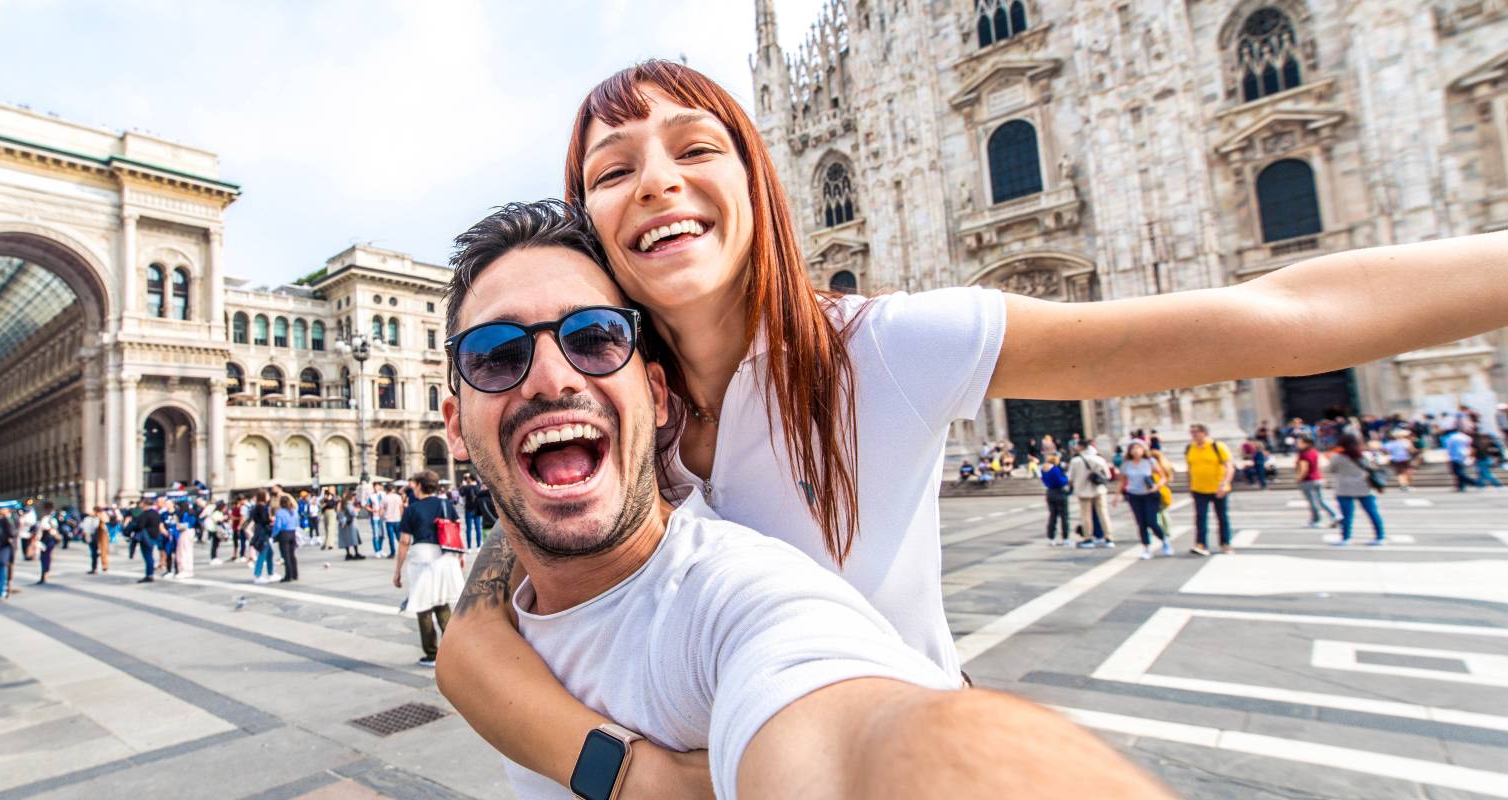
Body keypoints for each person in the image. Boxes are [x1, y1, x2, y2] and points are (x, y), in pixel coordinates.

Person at [440, 60, 1508, 792]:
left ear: (757, 180)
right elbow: (480, 627)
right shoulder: (614, 396)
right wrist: (631, 776)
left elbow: (1281, 313)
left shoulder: (880, 349)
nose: (659, 180)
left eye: (695, 148)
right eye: (614, 169)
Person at [433, 214, 1167, 799]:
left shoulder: (730, 598)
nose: (552, 376)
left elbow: (848, 732)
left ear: (659, 396)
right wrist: (636, 778)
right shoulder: (506, 593)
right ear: (455, 427)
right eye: (495, 355)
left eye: (594, 338)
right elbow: (465, 647)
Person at [394, 470, 465, 667]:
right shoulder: (446, 504)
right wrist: (459, 556)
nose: (412, 488)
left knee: (423, 605)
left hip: (422, 558)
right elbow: (455, 530)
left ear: (420, 485)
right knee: (441, 603)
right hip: (445, 557)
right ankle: (455, 651)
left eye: (414, 484)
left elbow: (404, 541)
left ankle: (432, 654)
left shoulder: (412, 509)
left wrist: (398, 570)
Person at [1184, 424, 1235, 556]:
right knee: (1200, 517)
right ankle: (1201, 544)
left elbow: (1229, 466)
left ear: (1204, 433)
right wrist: (1190, 484)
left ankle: (1225, 544)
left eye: (1196, 432)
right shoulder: (1190, 448)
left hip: (1218, 488)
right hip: (1198, 489)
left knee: (1222, 517)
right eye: (1192, 432)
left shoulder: (1217, 446)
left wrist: (1224, 484)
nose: (1194, 435)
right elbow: (1190, 468)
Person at [1328, 433, 1386, 546]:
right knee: (1372, 513)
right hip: (1363, 486)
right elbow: (1370, 467)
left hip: (1344, 488)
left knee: (1347, 515)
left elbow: (1331, 469)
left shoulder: (1337, 457)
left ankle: (1345, 538)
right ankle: (1380, 536)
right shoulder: (1363, 456)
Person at [1116, 441, 1170, 560]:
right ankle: (1146, 548)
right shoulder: (1126, 464)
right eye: (1133, 448)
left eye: (1138, 448)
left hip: (1150, 495)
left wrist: (1157, 486)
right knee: (1141, 523)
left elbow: (1163, 477)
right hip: (1134, 495)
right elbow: (1122, 481)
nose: (1135, 450)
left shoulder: (1150, 461)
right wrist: (1116, 496)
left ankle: (1164, 540)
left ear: (1143, 450)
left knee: (1151, 521)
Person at [1067, 442, 1114, 548]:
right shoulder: (1100, 459)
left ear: (1081, 447)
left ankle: (1088, 539)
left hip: (1083, 491)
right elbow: (1108, 475)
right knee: (1103, 514)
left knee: (1085, 516)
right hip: (1099, 490)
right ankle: (1108, 538)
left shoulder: (1075, 461)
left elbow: (1070, 478)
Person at [1295, 444, 1341, 528]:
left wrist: (1298, 478)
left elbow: (1304, 469)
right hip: (1317, 478)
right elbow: (1318, 466)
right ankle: (1335, 515)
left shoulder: (1303, 454)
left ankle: (1316, 520)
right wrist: (1321, 477)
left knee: (1312, 502)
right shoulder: (1314, 452)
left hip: (1308, 480)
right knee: (1320, 500)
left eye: (1300, 442)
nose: (1298, 444)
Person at [1039, 454, 1071, 546]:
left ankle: (1051, 537)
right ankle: (1065, 538)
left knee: (1052, 516)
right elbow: (1060, 481)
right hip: (1059, 492)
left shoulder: (1044, 470)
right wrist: (1066, 479)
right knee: (1064, 516)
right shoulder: (1055, 469)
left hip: (1050, 493)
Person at [131, 499, 162, 583]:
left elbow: (140, 526)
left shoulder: (145, 514)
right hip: (154, 536)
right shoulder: (156, 513)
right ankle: (150, 574)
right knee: (150, 555)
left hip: (146, 537)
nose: (140, 505)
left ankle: (149, 574)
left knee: (148, 556)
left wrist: (133, 527)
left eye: (141, 503)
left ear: (145, 504)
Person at [273, 491, 301, 583]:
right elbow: (297, 522)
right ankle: (295, 574)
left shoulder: (280, 513)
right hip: (292, 533)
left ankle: (288, 575)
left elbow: (278, 525)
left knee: (286, 556)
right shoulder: (294, 512)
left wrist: (273, 534)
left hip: (284, 534)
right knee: (292, 555)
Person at [250, 495, 277, 584]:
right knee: (263, 552)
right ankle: (258, 574)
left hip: (260, 531)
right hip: (263, 532)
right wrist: (271, 520)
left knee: (269, 553)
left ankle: (270, 573)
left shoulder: (255, 507)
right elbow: (264, 519)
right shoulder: (262, 507)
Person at [1445, 427, 1475, 492]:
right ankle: (1461, 486)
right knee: (1460, 471)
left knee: (1457, 472)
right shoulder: (1466, 437)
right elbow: (1470, 446)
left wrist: (1448, 456)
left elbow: (1449, 448)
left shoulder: (1451, 438)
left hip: (1455, 457)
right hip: (1464, 455)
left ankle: (1471, 481)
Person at [459, 474, 485, 549]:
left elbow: (461, 493)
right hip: (477, 510)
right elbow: (479, 483)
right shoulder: (478, 486)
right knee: (478, 528)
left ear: (469, 479)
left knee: (469, 529)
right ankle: (478, 546)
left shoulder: (466, 487)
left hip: (468, 510)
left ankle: (469, 547)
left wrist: (463, 484)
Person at [381, 483, 405, 558]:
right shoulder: (398, 497)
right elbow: (401, 508)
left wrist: (381, 516)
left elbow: (382, 509)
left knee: (391, 537)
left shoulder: (385, 498)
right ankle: (403, 551)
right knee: (399, 536)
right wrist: (402, 517)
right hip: (397, 519)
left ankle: (392, 552)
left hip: (389, 520)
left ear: (386, 490)